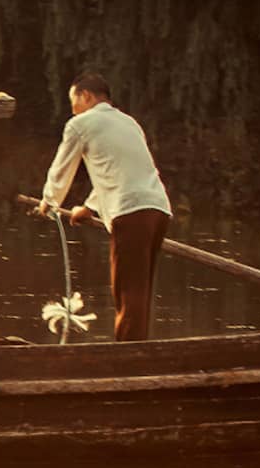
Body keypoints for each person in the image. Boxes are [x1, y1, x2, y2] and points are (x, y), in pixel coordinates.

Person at [38, 73, 171, 342]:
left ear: (85, 96)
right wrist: (88, 208)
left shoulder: (81, 124)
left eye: (73, 101)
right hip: (158, 209)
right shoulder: (129, 123)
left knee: (128, 293)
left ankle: (128, 358)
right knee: (139, 292)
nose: (72, 109)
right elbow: (116, 171)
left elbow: (63, 167)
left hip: (131, 213)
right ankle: (138, 351)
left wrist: (49, 200)